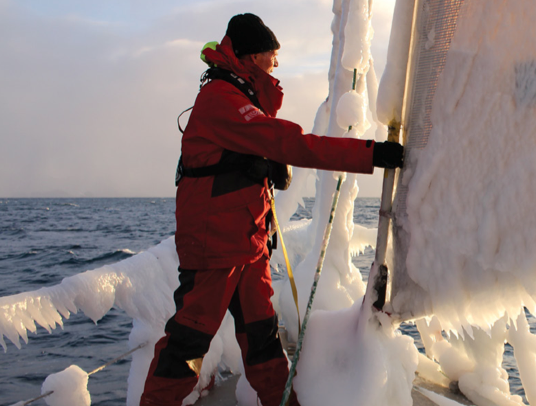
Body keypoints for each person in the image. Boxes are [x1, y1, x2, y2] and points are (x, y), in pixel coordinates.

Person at [139, 13, 403, 406]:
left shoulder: (238, 98)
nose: (275, 65)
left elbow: (254, 148)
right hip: (215, 250)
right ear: (250, 56)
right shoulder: (221, 99)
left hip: (245, 247)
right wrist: (371, 153)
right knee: (187, 346)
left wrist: (257, 167)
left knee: (263, 342)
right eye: (270, 56)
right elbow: (288, 142)